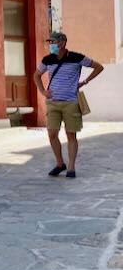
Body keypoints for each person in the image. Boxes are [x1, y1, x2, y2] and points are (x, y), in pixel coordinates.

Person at [33, 31, 103, 178]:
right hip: (53, 103)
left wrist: (84, 82)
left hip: (71, 102)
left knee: (71, 134)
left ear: (62, 42)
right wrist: (42, 91)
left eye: (53, 42)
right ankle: (60, 163)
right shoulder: (47, 59)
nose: (50, 45)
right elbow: (36, 75)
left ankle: (71, 167)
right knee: (52, 134)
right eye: (50, 42)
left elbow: (98, 67)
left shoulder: (77, 57)